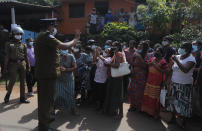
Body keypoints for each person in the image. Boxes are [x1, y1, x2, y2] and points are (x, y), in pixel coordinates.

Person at [34, 18, 80, 131]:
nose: (54, 28)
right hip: (47, 74)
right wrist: (76, 39)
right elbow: (64, 46)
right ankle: (43, 126)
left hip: (46, 73)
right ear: (49, 26)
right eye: (53, 26)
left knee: (48, 99)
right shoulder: (46, 36)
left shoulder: (42, 36)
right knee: (45, 101)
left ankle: (46, 119)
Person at [166, 42, 196, 127]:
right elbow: (172, 69)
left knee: (183, 104)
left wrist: (177, 61)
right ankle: (173, 118)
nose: (180, 49)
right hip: (174, 83)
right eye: (180, 47)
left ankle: (183, 122)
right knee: (172, 101)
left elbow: (185, 70)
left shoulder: (191, 59)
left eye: (183, 47)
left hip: (184, 85)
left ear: (188, 50)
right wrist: (168, 81)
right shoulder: (178, 57)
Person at [3, 25, 30, 104]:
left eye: (20, 34)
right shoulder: (8, 44)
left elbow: (26, 56)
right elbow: (7, 56)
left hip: (22, 63)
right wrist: (5, 67)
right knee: (13, 80)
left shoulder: (23, 44)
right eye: (17, 34)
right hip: (13, 64)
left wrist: (28, 65)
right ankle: (8, 95)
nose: (19, 35)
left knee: (23, 81)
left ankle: (22, 98)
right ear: (13, 34)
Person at [141, 47, 169, 119]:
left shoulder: (163, 61)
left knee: (155, 98)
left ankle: (154, 113)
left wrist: (154, 65)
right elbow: (147, 65)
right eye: (155, 51)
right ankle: (146, 110)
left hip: (157, 82)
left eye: (158, 51)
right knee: (147, 95)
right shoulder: (152, 59)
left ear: (161, 53)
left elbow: (165, 71)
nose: (156, 52)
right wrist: (149, 64)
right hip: (149, 81)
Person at [104, 41, 124, 118]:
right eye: (112, 46)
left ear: (118, 47)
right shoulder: (115, 54)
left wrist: (108, 64)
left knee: (118, 95)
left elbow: (117, 65)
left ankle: (120, 113)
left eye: (114, 46)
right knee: (114, 94)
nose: (112, 47)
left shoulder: (118, 54)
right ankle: (114, 111)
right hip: (113, 77)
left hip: (117, 78)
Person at [128, 41, 150, 112]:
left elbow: (146, 66)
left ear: (144, 47)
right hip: (134, 74)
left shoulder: (147, 55)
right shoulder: (135, 53)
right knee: (132, 90)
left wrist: (139, 57)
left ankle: (139, 107)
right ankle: (132, 105)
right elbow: (131, 63)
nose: (139, 46)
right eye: (139, 44)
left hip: (141, 76)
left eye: (141, 45)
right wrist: (131, 69)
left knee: (140, 91)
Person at [54, 50, 77, 115]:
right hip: (59, 79)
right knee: (58, 95)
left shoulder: (71, 56)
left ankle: (73, 110)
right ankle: (53, 109)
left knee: (71, 95)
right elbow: (53, 66)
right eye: (61, 54)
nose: (63, 56)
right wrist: (58, 68)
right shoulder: (57, 57)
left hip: (69, 79)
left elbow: (75, 67)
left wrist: (66, 69)